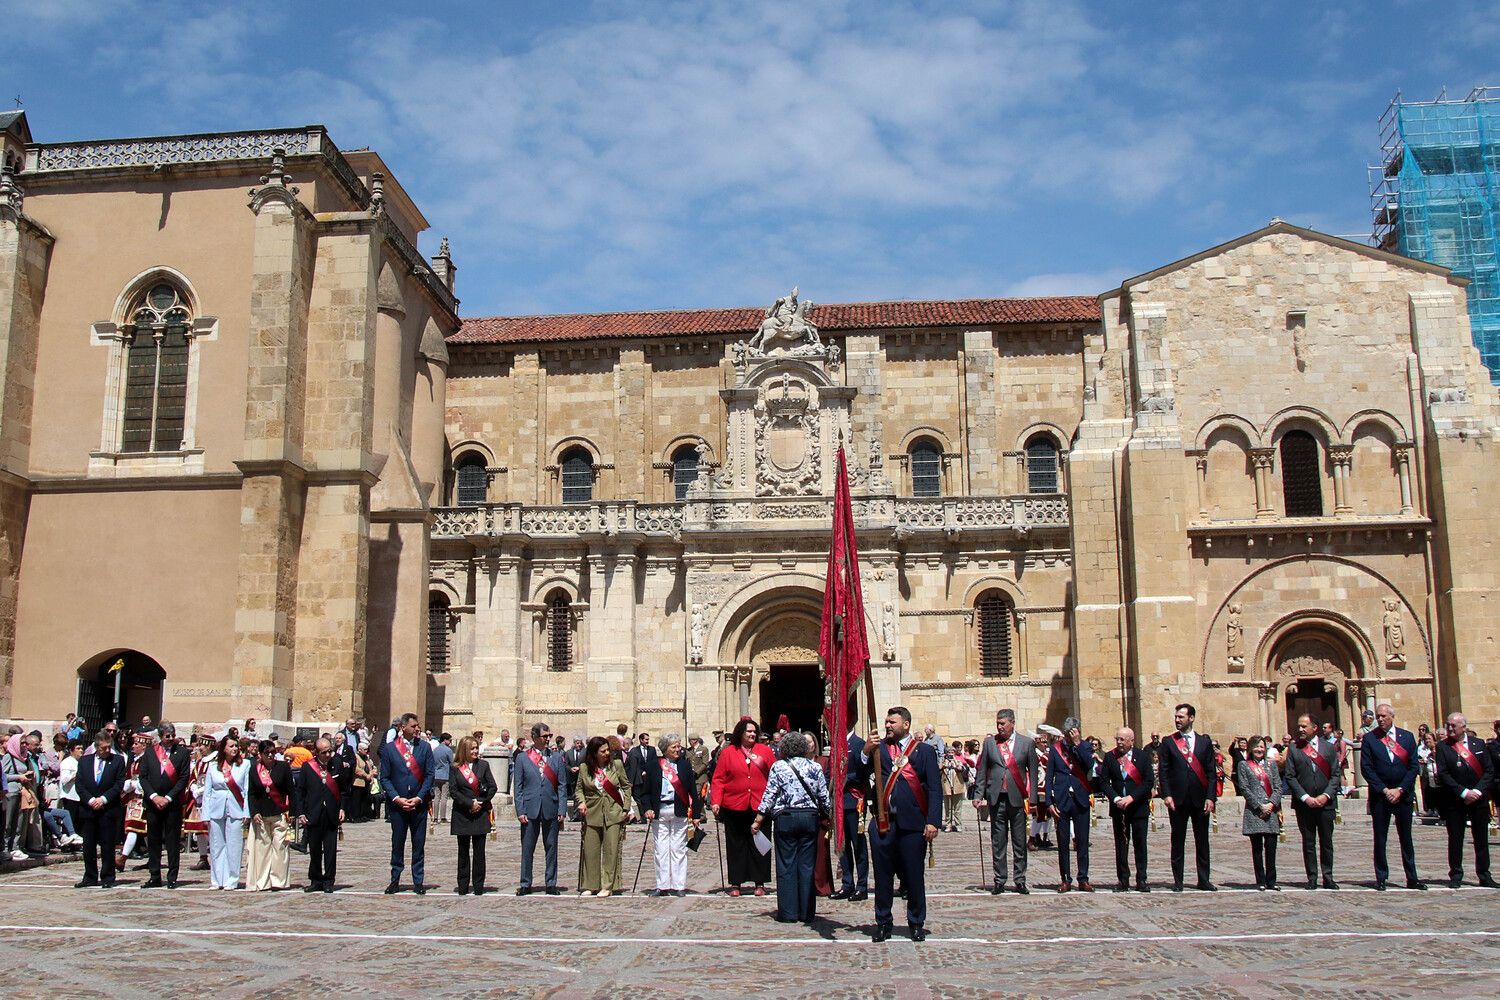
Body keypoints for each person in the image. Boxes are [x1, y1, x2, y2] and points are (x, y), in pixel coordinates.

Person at [865, 707, 941, 943]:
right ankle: (883, 921)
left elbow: (935, 789)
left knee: (914, 875)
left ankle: (916, 922)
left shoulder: (925, 752)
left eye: (892, 722)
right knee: (882, 875)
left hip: (912, 823)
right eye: (886, 722)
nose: (887, 726)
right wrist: (865, 751)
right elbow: (857, 773)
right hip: (883, 822)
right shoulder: (878, 751)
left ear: (905, 724)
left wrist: (933, 821)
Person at [753, 731, 830, 923]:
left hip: (785, 818)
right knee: (807, 865)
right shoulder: (815, 767)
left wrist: (759, 818)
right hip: (809, 818)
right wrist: (830, 818)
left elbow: (769, 794)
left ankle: (788, 913)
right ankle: (806, 913)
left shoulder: (778, 767)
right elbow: (824, 797)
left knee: (786, 864)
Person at [1361, 702, 1425, 890]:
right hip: (1381, 796)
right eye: (1378, 716)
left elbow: (1413, 766)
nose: (1380, 719)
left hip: (1403, 795)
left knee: (1406, 838)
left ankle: (1412, 877)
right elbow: (1366, 768)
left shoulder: (1407, 737)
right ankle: (1381, 877)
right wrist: (1384, 789)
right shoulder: (1370, 739)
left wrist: (1401, 789)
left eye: (1383, 716)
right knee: (1380, 838)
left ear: (1392, 716)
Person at [974, 707, 1037, 894]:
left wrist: (1033, 799)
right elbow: (982, 771)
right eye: (997, 724)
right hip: (996, 798)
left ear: (1012, 723)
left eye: (1002, 724)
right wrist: (978, 795)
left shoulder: (1027, 743)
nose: (999, 727)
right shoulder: (990, 743)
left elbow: (1032, 772)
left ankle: (1020, 879)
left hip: (1017, 799)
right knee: (998, 841)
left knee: (1019, 841)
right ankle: (999, 879)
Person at [710, 717, 775, 896]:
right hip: (734, 805)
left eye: (755, 731)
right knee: (736, 845)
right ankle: (736, 883)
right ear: (741, 733)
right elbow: (719, 779)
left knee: (760, 845)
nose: (752, 734)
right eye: (749, 731)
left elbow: (774, 776)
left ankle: (759, 882)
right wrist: (716, 800)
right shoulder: (729, 752)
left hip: (759, 805)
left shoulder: (765, 751)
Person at [1434, 712, 1496, 888]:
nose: (1450, 729)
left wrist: (1476, 791)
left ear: (1464, 727)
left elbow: (1489, 771)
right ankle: (1456, 874)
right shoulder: (1443, 747)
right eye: (1448, 725)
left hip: (1478, 798)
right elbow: (1443, 774)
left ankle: (1484, 874)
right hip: (1455, 799)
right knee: (1455, 838)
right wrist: (1463, 793)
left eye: (1453, 726)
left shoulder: (1479, 744)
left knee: (1481, 838)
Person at [1159, 703, 1216, 892]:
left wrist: (1211, 797)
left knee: (1202, 841)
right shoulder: (1168, 742)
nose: (1177, 720)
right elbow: (1164, 771)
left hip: (1200, 799)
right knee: (1177, 840)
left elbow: (1211, 772)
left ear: (1191, 718)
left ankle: (1204, 879)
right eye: (1176, 717)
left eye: (1181, 717)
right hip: (1178, 800)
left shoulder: (1204, 742)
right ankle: (1178, 880)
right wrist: (1166, 794)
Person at [379, 712, 434, 894]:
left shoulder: (425, 748)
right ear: (403, 728)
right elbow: (385, 777)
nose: (417, 728)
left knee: (419, 844)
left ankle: (418, 880)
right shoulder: (389, 749)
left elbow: (429, 775)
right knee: (398, 843)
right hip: (398, 805)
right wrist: (396, 798)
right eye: (414, 726)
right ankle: (395, 878)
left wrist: (419, 797)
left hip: (418, 804)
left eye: (418, 725)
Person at [1283, 714, 1340, 890]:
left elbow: (1335, 775)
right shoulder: (1294, 749)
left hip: (1326, 803)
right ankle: (1312, 877)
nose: (1300, 729)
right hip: (1304, 804)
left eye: (1304, 726)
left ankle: (1328, 876)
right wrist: (1305, 797)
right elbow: (1290, 777)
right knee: (1308, 842)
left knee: (1326, 842)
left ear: (1314, 728)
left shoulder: (1329, 748)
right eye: (1299, 726)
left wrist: (1326, 795)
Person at [513, 721, 567, 895]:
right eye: (545, 736)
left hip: (550, 808)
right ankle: (525, 883)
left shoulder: (556, 757)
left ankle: (551, 882)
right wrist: (520, 811)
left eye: (549, 736)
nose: (547, 739)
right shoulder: (522, 758)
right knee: (527, 849)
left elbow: (562, 786)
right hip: (530, 810)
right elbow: (518, 787)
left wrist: (562, 809)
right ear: (534, 737)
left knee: (551, 847)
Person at [1045, 716, 1096, 892]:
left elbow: (1089, 766)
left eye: (1072, 733)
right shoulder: (1055, 749)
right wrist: (1049, 801)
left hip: (1080, 798)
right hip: (1062, 799)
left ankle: (1083, 878)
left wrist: (1077, 744)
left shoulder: (1086, 747)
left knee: (1082, 841)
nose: (1069, 736)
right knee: (1063, 841)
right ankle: (1065, 878)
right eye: (1067, 733)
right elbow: (1049, 776)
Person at [576, 735, 631, 896]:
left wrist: (626, 808)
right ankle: (590, 884)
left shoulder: (617, 765)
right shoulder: (585, 768)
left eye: (608, 750)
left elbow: (626, 787)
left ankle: (608, 885)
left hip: (613, 812)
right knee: (590, 851)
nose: (607, 753)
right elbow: (579, 788)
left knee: (611, 850)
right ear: (594, 753)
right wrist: (581, 802)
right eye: (603, 751)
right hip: (592, 813)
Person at [644, 733, 699, 897]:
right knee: (661, 849)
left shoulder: (684, 765)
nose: (678, 749)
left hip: (679, 811)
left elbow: (692, 791)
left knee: (678, 849)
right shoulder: (654, 765)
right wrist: (647, 808)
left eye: (679, 746)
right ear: (665, 749)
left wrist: (695, 814)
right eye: (674, 747)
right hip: (659, 811)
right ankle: (662, 885)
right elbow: (645, 792)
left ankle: (679, 885)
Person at [137, 722, 191, 889]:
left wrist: (168, 797)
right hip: (153, 803)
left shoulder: (181, 753)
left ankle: (172, 876)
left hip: (172, 803)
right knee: (153, 840)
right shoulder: (150, 752)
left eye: (172, 735)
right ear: (160, 736)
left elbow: (183, 778)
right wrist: (154, 796)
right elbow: (143, 777)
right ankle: (154, 875)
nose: (170, 739)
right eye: (167, 736)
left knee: (172, 840)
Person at [1102, 727, 1152, 892]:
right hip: (1119, 808)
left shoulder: (1143, 756)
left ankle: (1141, 879)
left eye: (1122, 740)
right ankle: (1123, 880)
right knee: (1121, 845)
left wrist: (1132, 798)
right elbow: (1104, 782)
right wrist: (1116, 798)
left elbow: (1148, 782)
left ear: (1132, 741)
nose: (1119, 742)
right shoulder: (1110, 757)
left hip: (1138, 807)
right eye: (1117, 739)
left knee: (1140, 844)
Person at [74, 731, 126, 887]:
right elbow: (80, 784)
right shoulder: (84, 761)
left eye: (109, 747)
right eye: (104, 748)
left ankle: (108, 877)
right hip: (88, 809)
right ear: (96, 747)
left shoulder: (117, 760)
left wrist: (103, 799)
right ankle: (90, 876)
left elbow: (119, 784)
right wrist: (90, 800)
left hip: (108, 809)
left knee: (107, 845)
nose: (107, 751)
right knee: (89, 846)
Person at [295, 738, 346, 893]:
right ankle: (315, 879)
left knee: (330, 850)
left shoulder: (336, 764)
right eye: (324, 752)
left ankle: (329, 880)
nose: (328, 754)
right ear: (316, 752)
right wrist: (301, 812)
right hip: (314, 812)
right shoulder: (308, 767)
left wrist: (342, 808)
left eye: (330, 750)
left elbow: (343, 789)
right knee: (315, 849)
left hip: (331, 813)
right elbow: (300, 792)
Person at [449, 736, 497, 895]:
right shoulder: (455, 768)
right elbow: (454, 791)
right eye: (472, 748)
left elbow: (492, 787)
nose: (476, 751)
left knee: (479, 852)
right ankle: (462, 885)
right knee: (462, 852)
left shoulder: (483, 765)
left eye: (476, 748)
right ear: (464, 750)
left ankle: (478, 886)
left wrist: (480, 802)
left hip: (480, 814)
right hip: (462, 813)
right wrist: (470, 804)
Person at [201, 735, 250, 890]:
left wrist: (246, 812)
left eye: (236, 745)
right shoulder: (213, 766)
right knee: (216, 845)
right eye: (231, 746)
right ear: (223, 748)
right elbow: (207, 792)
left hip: (236, 808)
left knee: (234, 845)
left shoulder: (245, 765)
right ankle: (217, 879)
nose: (234, 749)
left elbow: (247, 790)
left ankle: (232, 879)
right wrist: (205, 814)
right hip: (216, 808)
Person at [831, 719, 871, 902]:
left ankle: (862, 885)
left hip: (854, 801)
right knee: (843, 845)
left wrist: (844, 778)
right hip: (839, 801)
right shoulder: (836, 744)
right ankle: (847, 884)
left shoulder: (858, 744)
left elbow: (864, 771)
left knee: (858, 845)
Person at [246, 738, 294, 891]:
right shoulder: (254, 769)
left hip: (279, 813)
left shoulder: (283, 768)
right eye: (267, 753)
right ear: (260, 754)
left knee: (280, 848)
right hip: (262, 814)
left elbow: (291, 790)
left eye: (273, 752)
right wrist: (254, 812)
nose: (271, 756)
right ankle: (263, 881)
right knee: (262, 850)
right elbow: (251, 793)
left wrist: (293, 811)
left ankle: (279, 881)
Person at [1235, 736, 1282, 890]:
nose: (1259, 750)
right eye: (1256, 747)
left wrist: (1271, 804)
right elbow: (1244, 788)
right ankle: (1260, 880)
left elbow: (1278, 787)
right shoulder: (1243, 765)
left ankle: (1272, 881)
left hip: (1271, 811)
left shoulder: (1271, 765)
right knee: (1257, 849)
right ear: (1250, 748)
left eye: (1262, 747)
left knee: (1271, 848)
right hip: (1254, 812)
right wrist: (1259, 806)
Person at [625, 732, 658, 823]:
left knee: (647, 798)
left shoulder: (652, 750)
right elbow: (633, 767)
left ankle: (648, 815)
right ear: (641, 740)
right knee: (638, 798)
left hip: (649, 779)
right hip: (638, 779)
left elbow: (654, 763)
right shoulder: (635, 751)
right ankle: (643, 817)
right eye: (646, 739)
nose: (647, 741)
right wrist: (631, 781)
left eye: (648, 739)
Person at [940, 742, 968, 833]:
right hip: (947, 786)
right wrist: (945, 763)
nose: (951, 754)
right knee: (947, 808)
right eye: (949, 752)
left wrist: (955, 763)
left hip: (957, 786)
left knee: (957, 808)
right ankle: (948, 824)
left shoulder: (958, 760)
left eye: (952, 752)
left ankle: (958, 824)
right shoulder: (943, 761)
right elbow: (939, 768)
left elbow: (962, 769)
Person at [429, 733, 454, 828]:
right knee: (444, 796)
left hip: (436, 775)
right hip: (445, 775)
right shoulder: (448, 750)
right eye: (450, 740)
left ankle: (435, 817)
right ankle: (442, 817)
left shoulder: (435, 750)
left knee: (436, 796)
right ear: (445, 740)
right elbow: (451, 763)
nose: (450, 742)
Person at [564, 737, 588, 821]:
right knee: (574, 796)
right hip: (572, 778)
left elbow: (587, 763)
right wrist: (570, 769)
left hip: (582, 777)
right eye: (577, 743)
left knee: (582, 795)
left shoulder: (585, 752)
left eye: (580, 743)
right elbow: (566, 764)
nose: (579, 745)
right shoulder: (568, 753)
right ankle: (575, 815)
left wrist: (580, 768)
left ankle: (582, 815)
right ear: (574, 743)